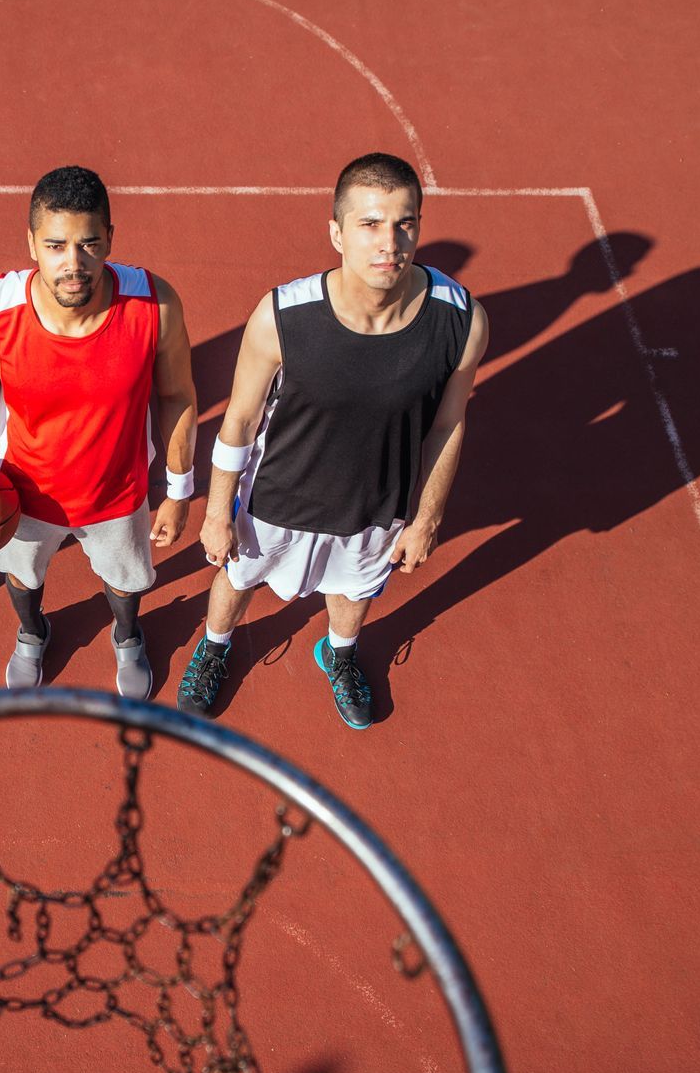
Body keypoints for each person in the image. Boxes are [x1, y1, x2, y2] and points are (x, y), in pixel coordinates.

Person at [178, 153, 488, 729]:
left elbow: (447, 424)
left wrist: (426, 520)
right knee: (239, 576)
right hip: (279, 494)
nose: (389, 242)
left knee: (355, 591)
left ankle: (338, 655)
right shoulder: (282, 317)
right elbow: (240, 421)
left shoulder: (462, 321)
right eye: (370, 224)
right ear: (337, 233)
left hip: (378, 504)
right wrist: (217, 511)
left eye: (405, 223)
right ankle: (215, 644)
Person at [0, 166, 197, 696]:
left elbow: (176, 397)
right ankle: (32, 631)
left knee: (126, 583)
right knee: (22, 577)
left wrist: (177, 492)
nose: (73, 263)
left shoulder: (156, 305)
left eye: (88, 244)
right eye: (56, 245)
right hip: (23, 491)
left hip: (118, 492)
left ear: (110, 238)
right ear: (31, 243)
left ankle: (127, 636)